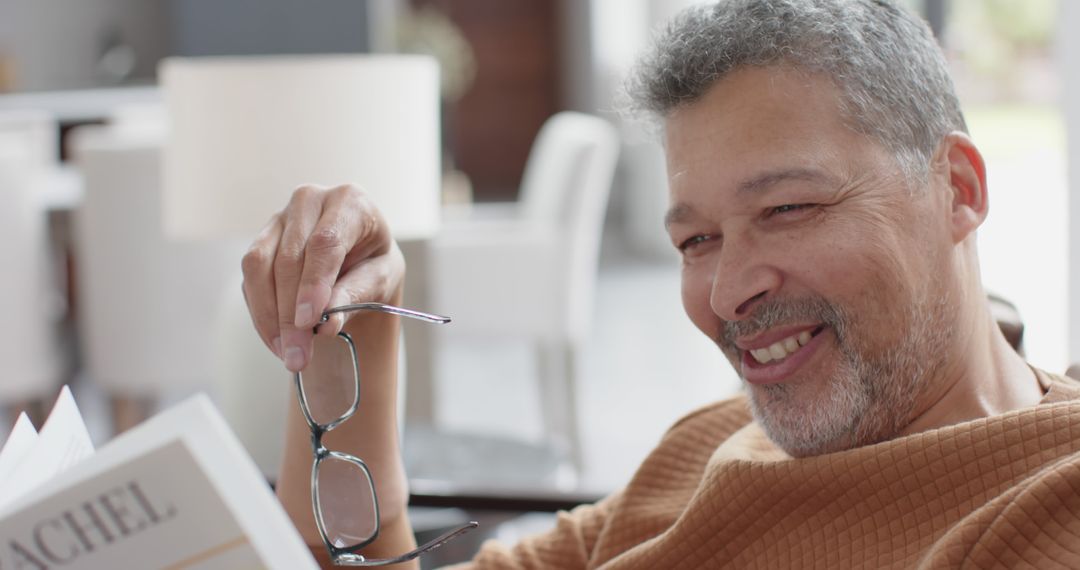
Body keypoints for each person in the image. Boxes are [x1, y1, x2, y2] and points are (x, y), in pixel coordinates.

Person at [242, 0, 1080, 567]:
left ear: (958, 190)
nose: (728, 293)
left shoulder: (1044, 498)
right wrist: (347, 333)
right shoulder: (712, 446)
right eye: (697, 240)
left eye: (787, 207)